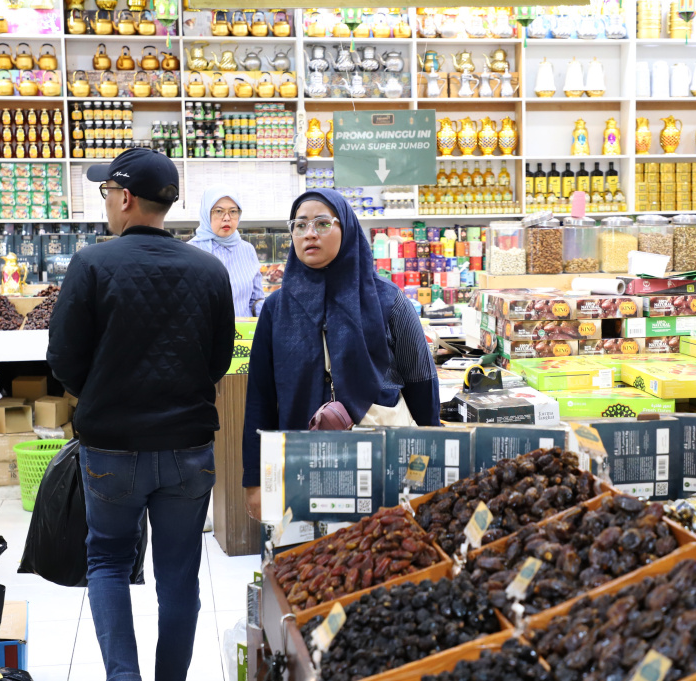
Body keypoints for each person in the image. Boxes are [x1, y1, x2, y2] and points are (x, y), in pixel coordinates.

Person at [47, 147, 235, 681]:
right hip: (189, 449)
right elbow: (218, 361)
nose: (107, 201)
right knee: (179, 576)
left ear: (125, 198)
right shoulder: (208, 270)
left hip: (111, 449)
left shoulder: (91, 263)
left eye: (108, 191)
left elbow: (62, 359)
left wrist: (102, 395)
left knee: (107, 561)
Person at [241, 189, 440, 520]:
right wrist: (254, 482)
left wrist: (429, 460)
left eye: (321, 223)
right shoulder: (277, 308)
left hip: (382, 455)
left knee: (384, 555)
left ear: (345, 228)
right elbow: (260, 398)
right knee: (311, 560)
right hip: (302, 459)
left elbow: (421, 382)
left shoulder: (388, 301)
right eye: (300, 225)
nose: (309, 234)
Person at [188, 188, 265, 317]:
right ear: (206, 213)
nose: (227, 218)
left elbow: (256, 299)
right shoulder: (191, 250)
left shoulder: (247, 250)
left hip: (244, 334)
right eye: (219, 211)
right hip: (207, 334)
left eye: (233, 211)